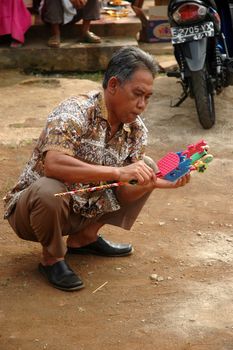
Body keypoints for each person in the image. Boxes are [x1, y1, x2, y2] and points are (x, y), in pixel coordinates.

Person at [3, 46, 190, 292]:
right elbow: (54, 164)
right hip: (33, 214)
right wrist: (118, 173)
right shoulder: (74, 111)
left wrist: (150, 182)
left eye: (148, 97)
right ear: (113, 85)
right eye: (137, 94)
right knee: (50, 189)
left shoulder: (136, 130)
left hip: (84, 210)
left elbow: (124, 192)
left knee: (145, 168)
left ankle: (84, 239)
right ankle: (52, 258)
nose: (142, 104)